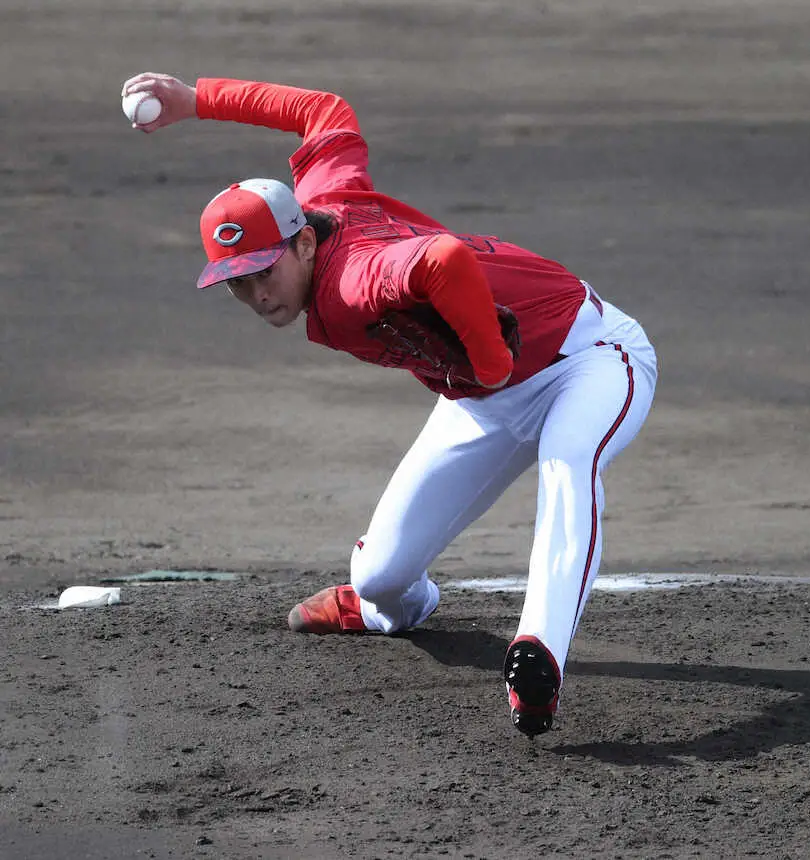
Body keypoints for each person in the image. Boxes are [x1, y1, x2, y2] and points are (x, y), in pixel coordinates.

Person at [121, 72, 658, 737]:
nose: (258, 294)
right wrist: (195, 99)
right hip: (480, 404)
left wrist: (491, 360)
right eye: (238, 283)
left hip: (587, 360)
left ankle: (538, 654)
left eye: (265, 271)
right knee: (379, 576)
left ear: (305, 243)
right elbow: (323, 110)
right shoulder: (319, 200)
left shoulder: (353, 278)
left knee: (568, 463)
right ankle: (384, 608)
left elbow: (443, 258)